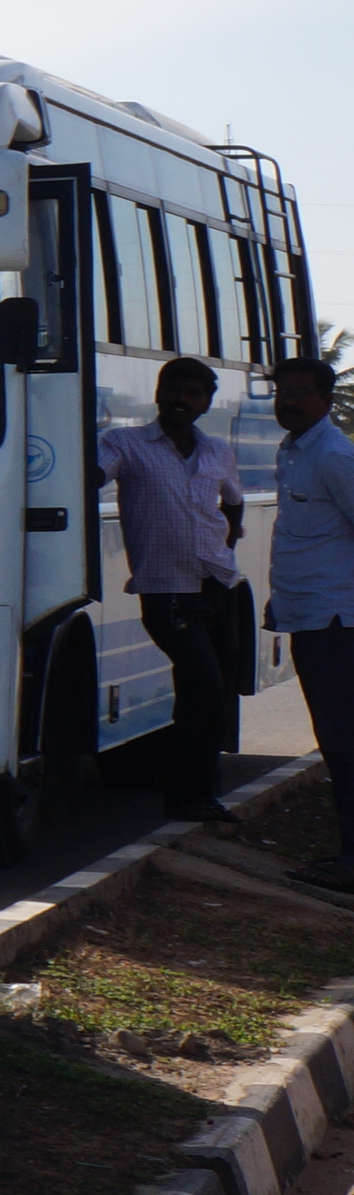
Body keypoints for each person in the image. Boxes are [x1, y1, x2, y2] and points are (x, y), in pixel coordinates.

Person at [99, 354, 248, 826]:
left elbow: (234, 504)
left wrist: (223, 550)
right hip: (168, 593)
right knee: (202, 690)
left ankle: (201, 794)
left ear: (205, 403)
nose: (181, 399)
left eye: (193, 393)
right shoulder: (124, 444)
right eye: (174, 389)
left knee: (214, 692)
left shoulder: (217, 450)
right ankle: (183, 796)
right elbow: (91, 476)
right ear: (158, 394)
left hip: (218, 586)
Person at [268, 355, 354, 890]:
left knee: (346, 743)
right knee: (337, 742)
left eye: (301, 393)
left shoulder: (331, 456)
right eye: (282, 392)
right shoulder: (293, 451)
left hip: (336, 621)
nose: (289, 401)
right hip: (310, 616)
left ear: (325, 400)